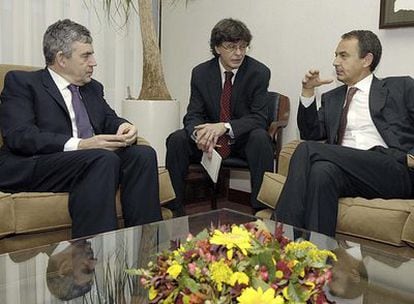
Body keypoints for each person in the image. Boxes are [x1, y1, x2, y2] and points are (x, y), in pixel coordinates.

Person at [0, 19, 162, 238]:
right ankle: (95, 257)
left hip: (88, 162)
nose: (93, 62)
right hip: (37, 162)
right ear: (61, 59)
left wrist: (124, 126)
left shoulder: (92, 88)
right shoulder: (23, 82)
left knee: (142, 154)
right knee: (102, 159)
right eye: (86, 55)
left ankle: (146, 249)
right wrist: (82, 145)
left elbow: (108, 119)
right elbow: (20, 136)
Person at [274, 30, 414, 237]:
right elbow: (311, 133)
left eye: (343, 56)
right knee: (322, 172)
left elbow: (309, 146)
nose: (335, 62)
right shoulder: (332, 98)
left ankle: (280, 241)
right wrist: (307, 93)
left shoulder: (400, 87)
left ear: (366, 59)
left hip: (392, 169)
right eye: (336, 55)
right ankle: (316, 258)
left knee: (306, 150)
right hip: (348, 171)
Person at [166, 18, 273, 215]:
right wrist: (199, 135)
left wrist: (224, 127)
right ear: (217, 48)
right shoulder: (200, 73)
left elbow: (259, 118)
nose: (239, 53)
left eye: (243, 46)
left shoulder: (259, 72)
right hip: (208, 142)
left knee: (261, 139)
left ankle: (261, 211)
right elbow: (193, 115)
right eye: (231, 47)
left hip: (240, 141)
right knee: (177, 140)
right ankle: (175, 210)